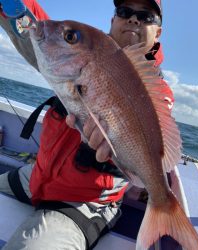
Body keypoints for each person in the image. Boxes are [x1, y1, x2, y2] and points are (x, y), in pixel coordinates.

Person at [0, 0, 174, 249]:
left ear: (158, 32)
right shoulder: (81, 50)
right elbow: (38, 26)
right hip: (38, 176)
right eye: (124, 12)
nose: (134, 20)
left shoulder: (159, 91)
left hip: (86, 202)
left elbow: (149, 137)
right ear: (113, 20)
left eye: (146, 16)